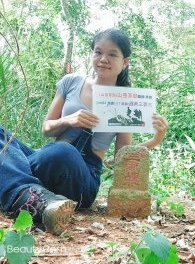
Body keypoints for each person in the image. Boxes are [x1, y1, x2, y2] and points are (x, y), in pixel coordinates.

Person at [0, 28, 168, 235]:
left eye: (112, 54)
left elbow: (120, 157)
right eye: (98, 52)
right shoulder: (72, 82)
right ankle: (29, 194)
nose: (103, 59)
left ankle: (16, 184)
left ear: (125, 61)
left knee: (63, 151)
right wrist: (69, 120)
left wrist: (156, 139)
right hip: (47, 160)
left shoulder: (127, 101)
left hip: (83, 177)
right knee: (5, 137)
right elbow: (46, 128)